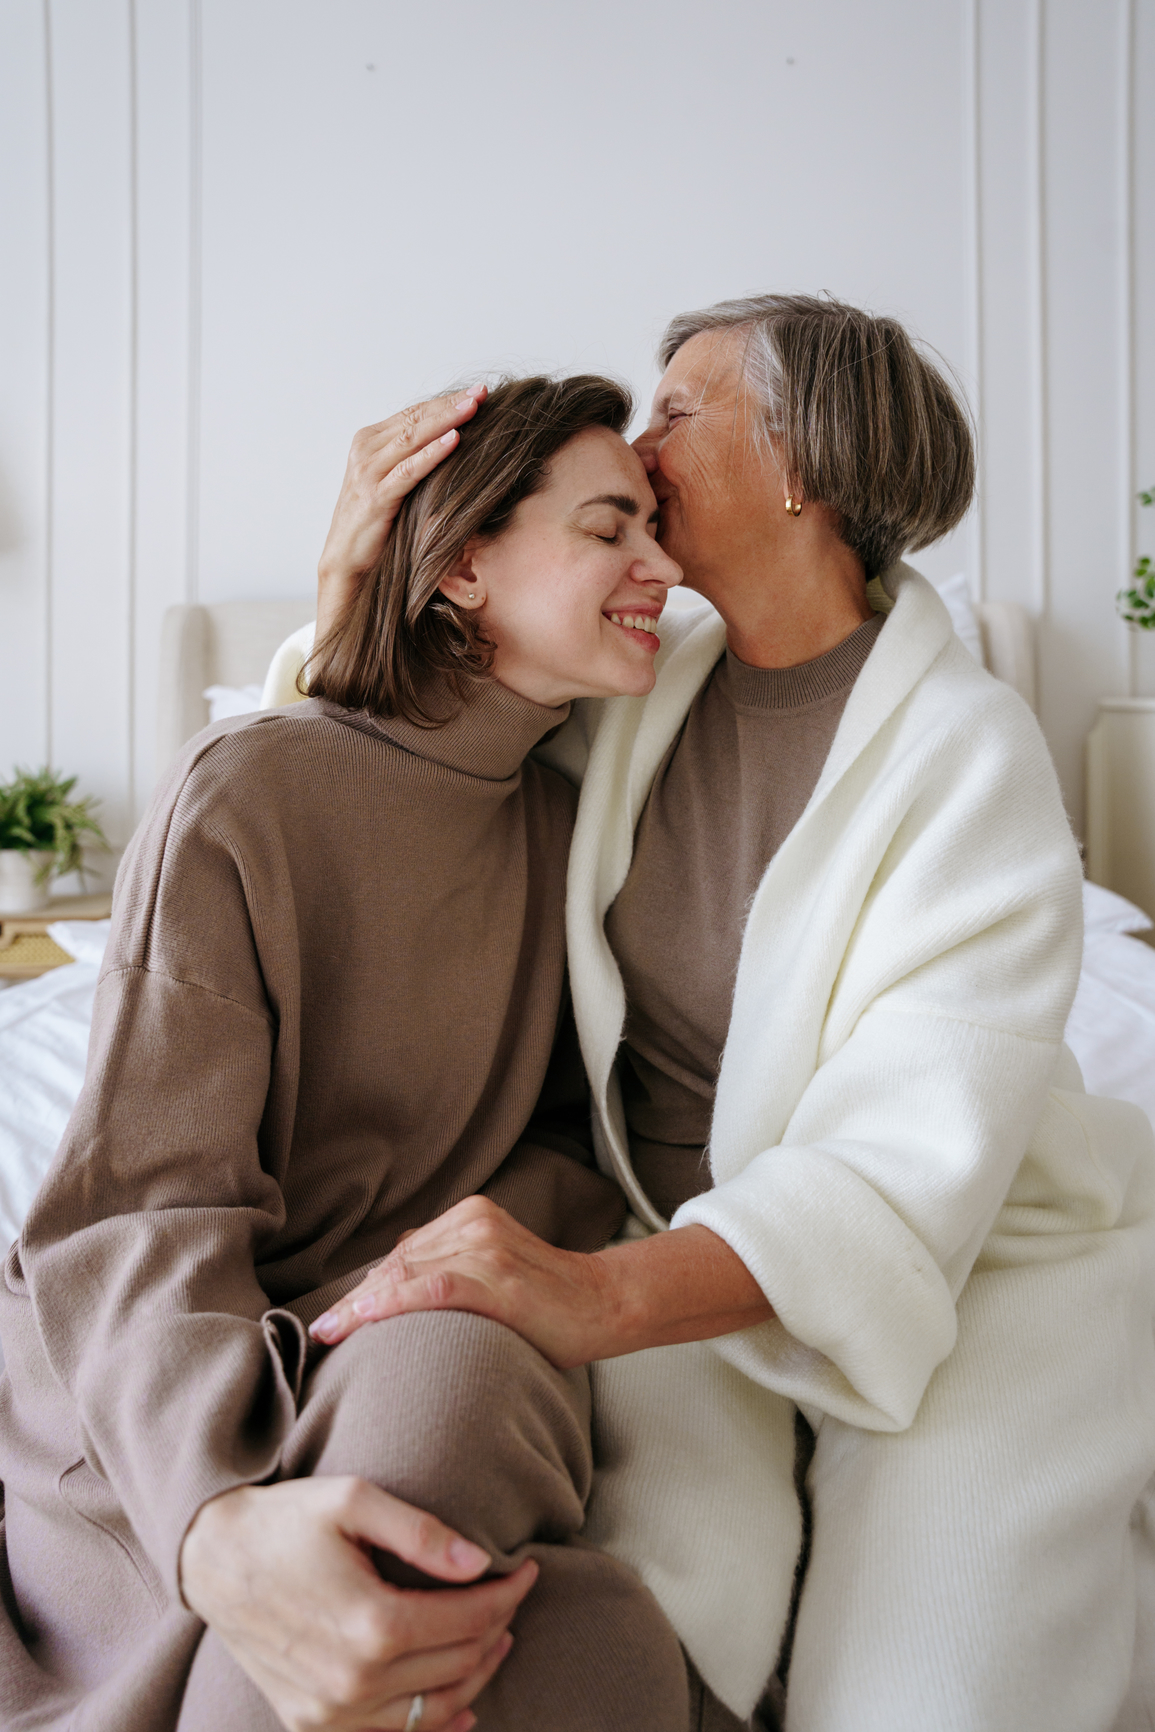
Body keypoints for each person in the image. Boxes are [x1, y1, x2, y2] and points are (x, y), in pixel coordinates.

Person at [300, 296, 1155, 1732]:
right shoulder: (638, 680)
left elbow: (900, 1159)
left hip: (976, 1259)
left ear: (804, 463)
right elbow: (401, 764)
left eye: (678, 411)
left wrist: (589, 1298)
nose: (638, 448)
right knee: (646, 1636)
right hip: (676, 1238)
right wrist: (348, 577)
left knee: (928, 1693)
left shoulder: (967, 755)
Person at [0, 375, 694, 1732]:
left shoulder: (575, 834)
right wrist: (211, 1523)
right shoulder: (247, 793)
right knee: (547, 1630)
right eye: (613, 527)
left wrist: (472, 1256)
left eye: (659, 529)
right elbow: (145, 1203)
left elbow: (574, 1141)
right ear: (465, 563)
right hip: (179, 1369)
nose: (662, 568)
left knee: (454, 1386)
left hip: (401, 1325)